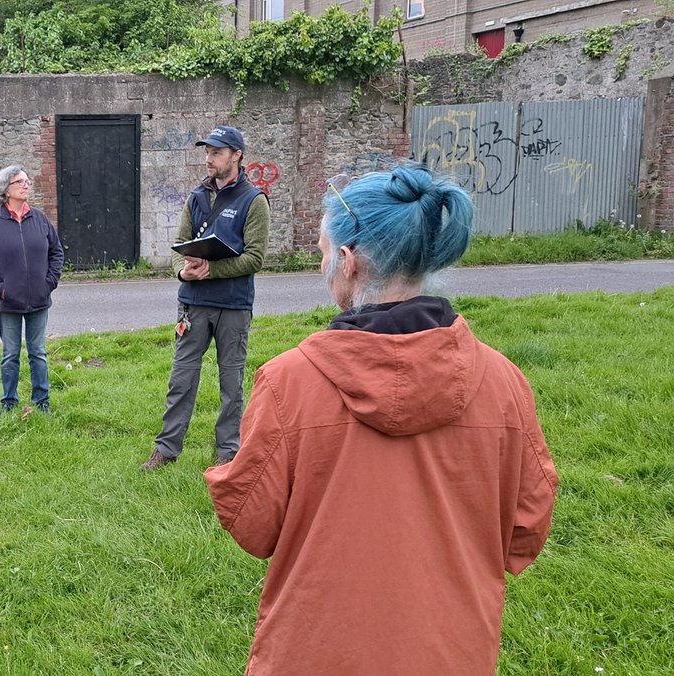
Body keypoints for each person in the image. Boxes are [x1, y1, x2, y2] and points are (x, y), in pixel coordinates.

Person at [204, 165, 559, 674]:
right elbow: (526, 530)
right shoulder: (504, 383)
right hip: (453, 652)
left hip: (316, 652)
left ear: (348, 262)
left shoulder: (289, 382)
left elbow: (253, 525)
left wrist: (224, 475)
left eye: (323, 252)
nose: (321, 263)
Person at [141, 125, 270, 471]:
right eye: (207, 152)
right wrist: (182, 272)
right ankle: (166, 449)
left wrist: (212, 270)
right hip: (193, 303)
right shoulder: (196, 197)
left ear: (236, 155)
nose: (208, 159)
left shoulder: (254, 201)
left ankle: (226, 451)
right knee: (181, 377)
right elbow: (177, 249)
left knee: (231, 380)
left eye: (216, 152)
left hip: (233, 304)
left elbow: (255, 258)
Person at [0, 165, 64, 414]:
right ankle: (9, 402)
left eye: (27, 181)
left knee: (38, 353)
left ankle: (42, 402)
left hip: (39, 299)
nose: (26, 185)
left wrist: (49, 283)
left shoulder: (39, 218)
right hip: (8, 302)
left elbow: (56, 252)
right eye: (20, 182)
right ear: (6, 190)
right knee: (10, 354)